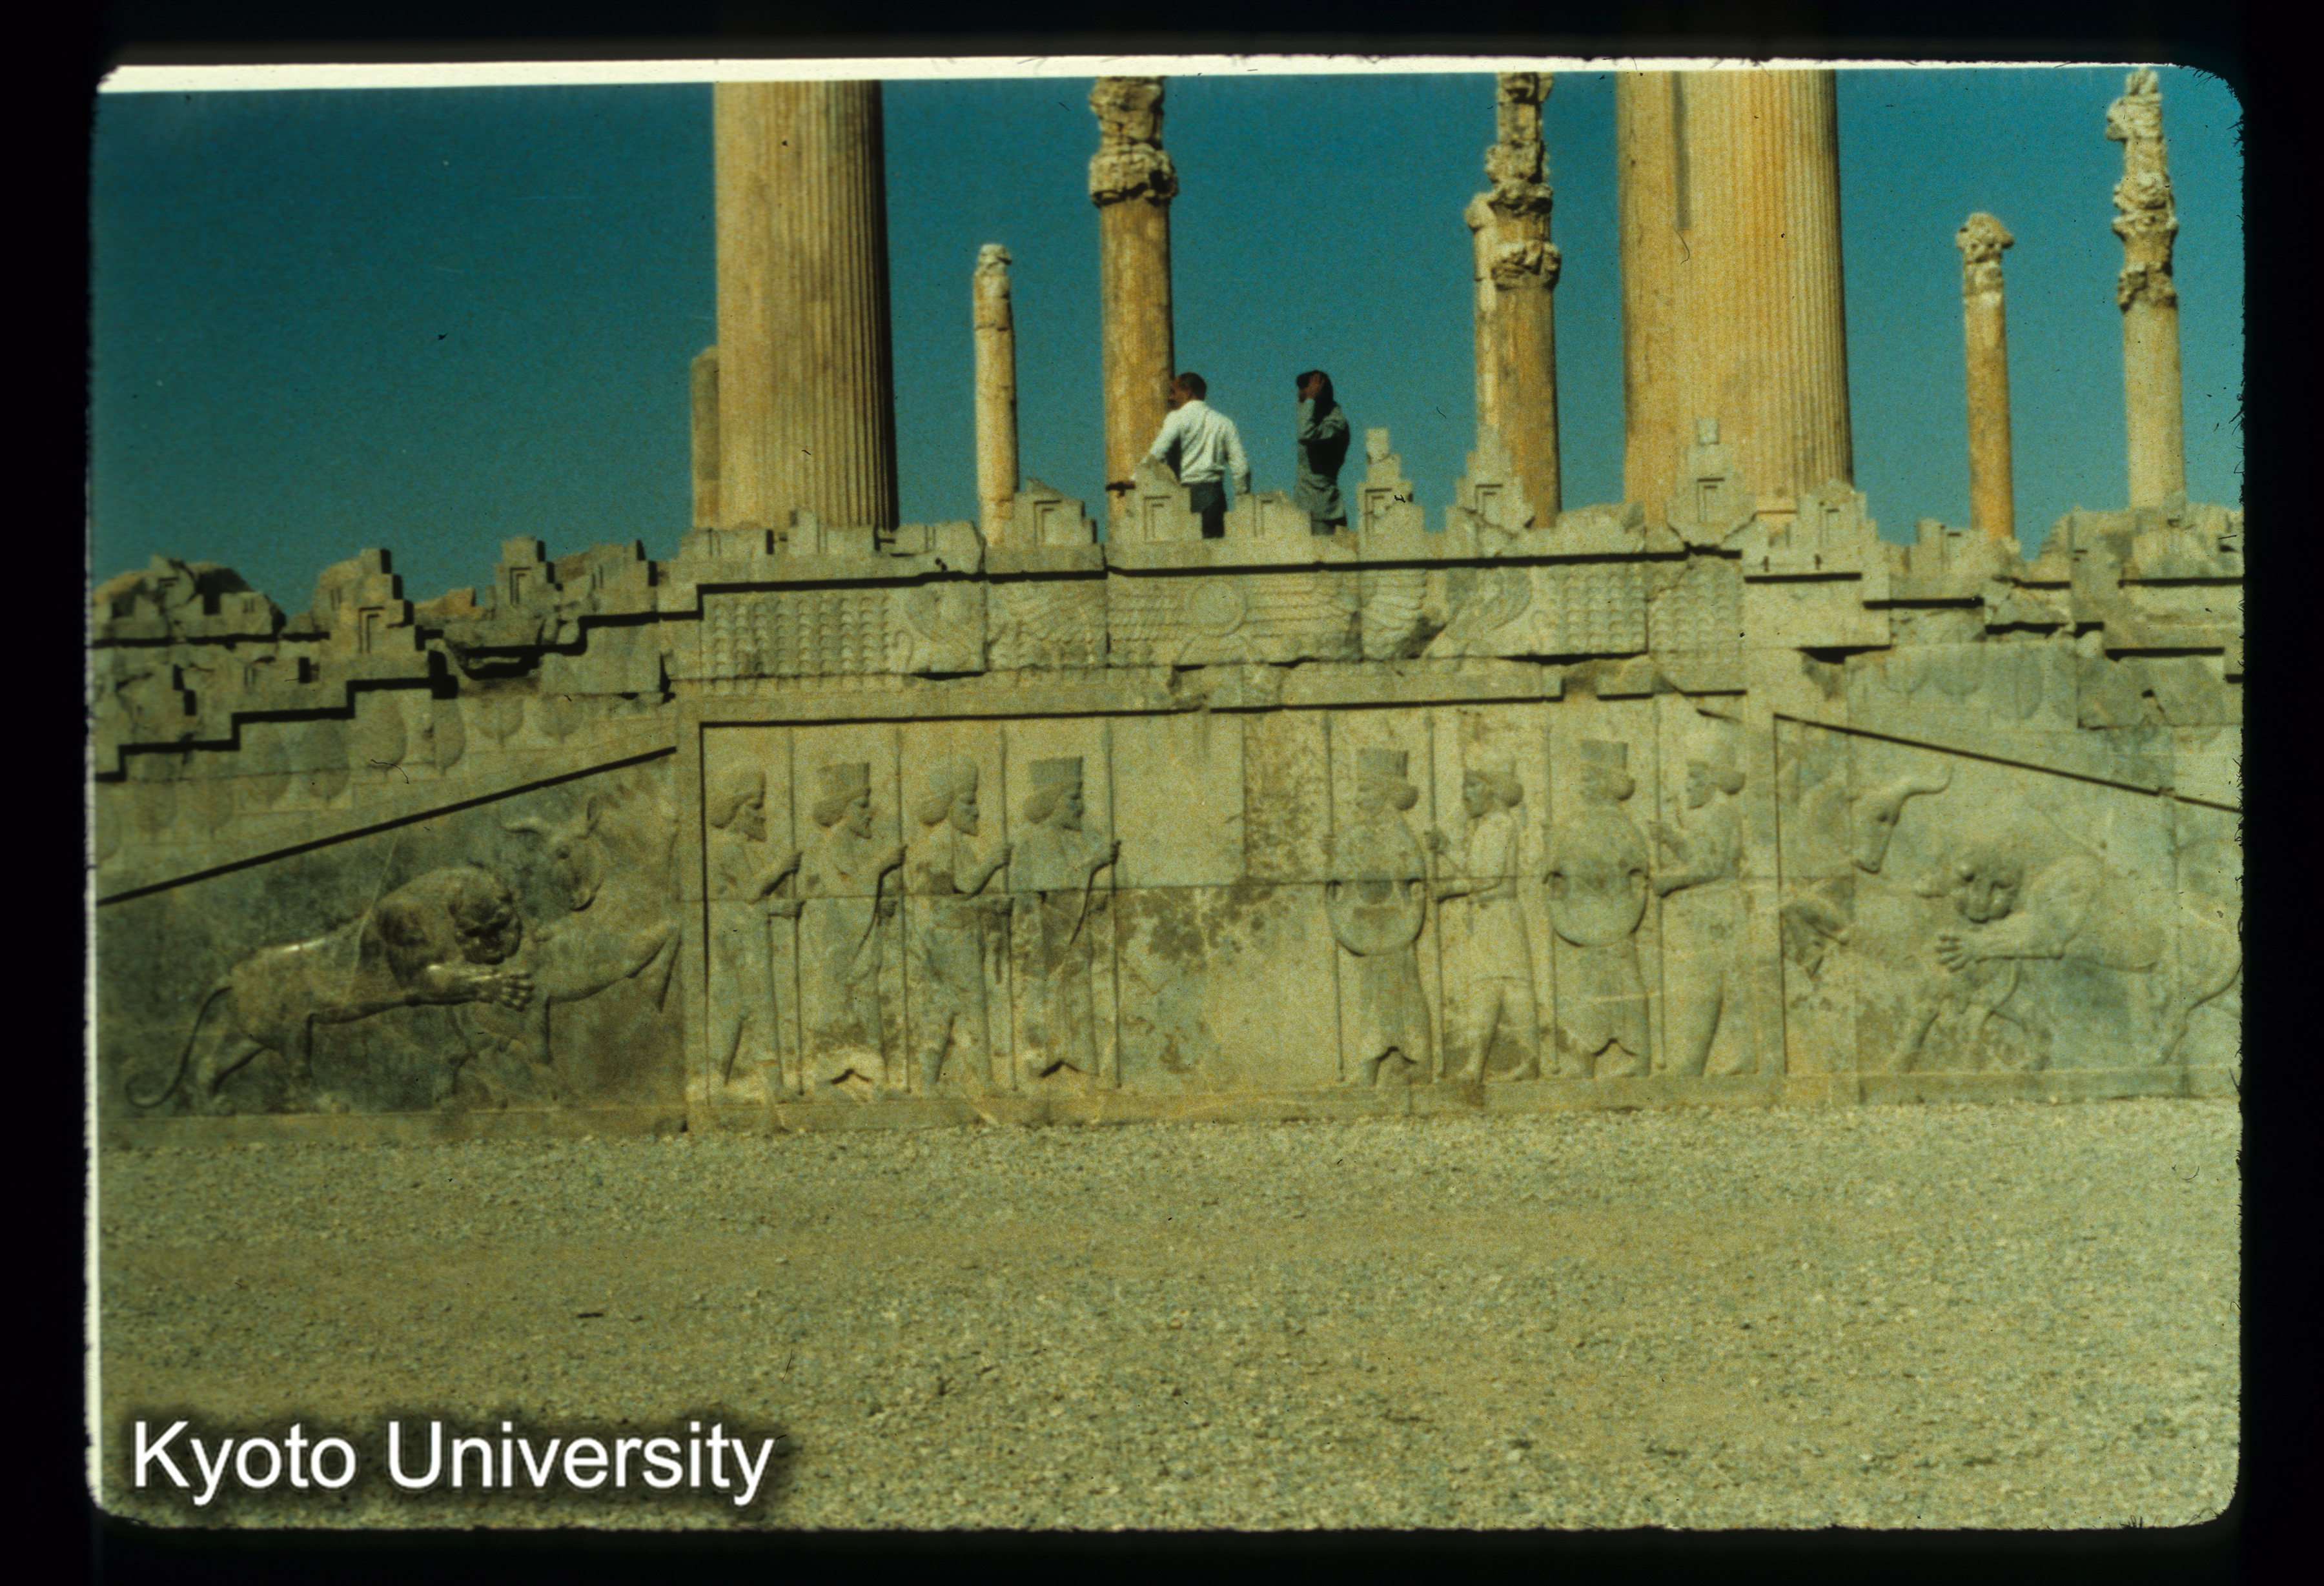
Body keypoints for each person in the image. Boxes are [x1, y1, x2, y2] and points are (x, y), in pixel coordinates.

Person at [1142, 372, 1251, 539]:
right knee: (1213, 556)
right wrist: (1242, 500)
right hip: (1214, 498)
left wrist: (1135, 479)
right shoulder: (1224, 423)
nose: (1170, 398)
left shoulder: (1176, 418)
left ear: (1187, 392)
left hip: (1182, 496)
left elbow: (1158, 451)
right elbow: (1242, 469)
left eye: (1173, 391)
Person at [1292, 370, 1351, 534]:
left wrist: (1310, 399)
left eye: (1306, 397)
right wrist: (1308, 399)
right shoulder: (1314, 415)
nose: (1301, 403)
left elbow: (1306, 434)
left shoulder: (1336, 424)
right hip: (1302, 507)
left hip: (1324, 511)